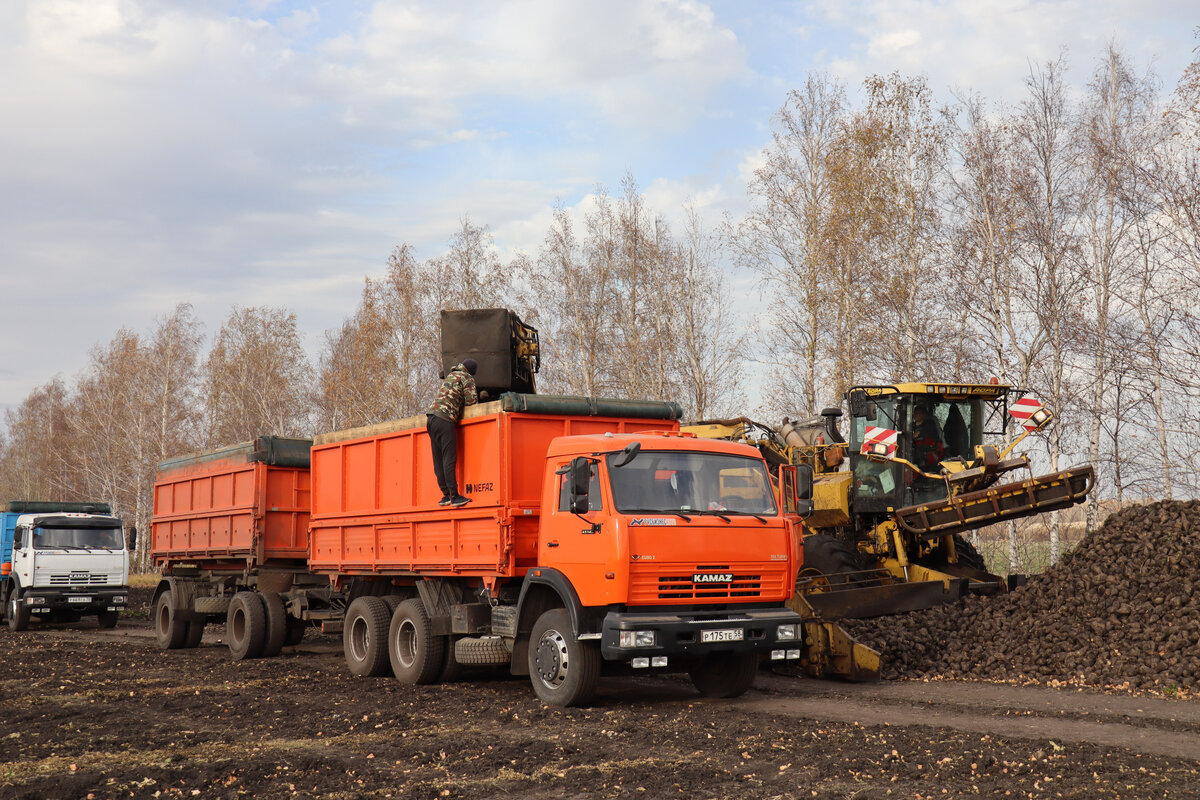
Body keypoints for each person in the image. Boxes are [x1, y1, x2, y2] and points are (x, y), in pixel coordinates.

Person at [427, 358, 479, 507]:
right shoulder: (467, 377)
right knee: (449, 459)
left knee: (438, 459)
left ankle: (445, 496)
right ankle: (455, 496)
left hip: (431, 418)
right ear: (472, 371)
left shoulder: (451, 375)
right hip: (445, 419)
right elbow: (471, 402)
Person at [911, 405, 945, 471]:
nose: (915, 415)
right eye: (914, 413)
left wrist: (920, 435)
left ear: (924, 415)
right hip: (913, 457)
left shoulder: (929, 427)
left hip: (927, 459)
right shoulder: (910, 426)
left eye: (918, 413)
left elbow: (933, 442)